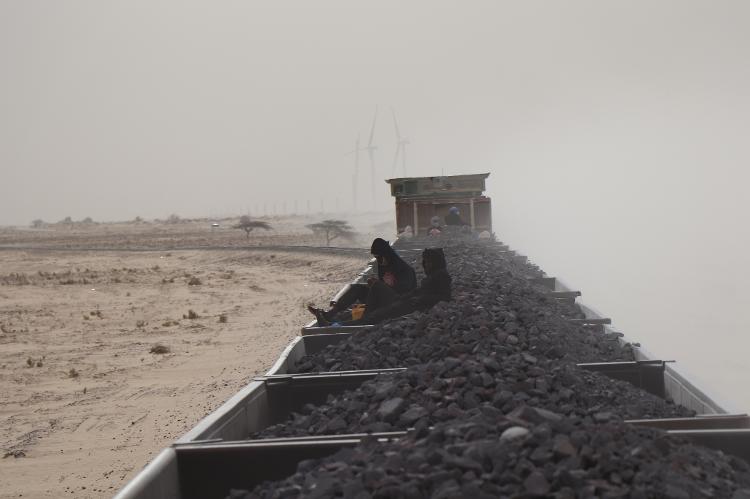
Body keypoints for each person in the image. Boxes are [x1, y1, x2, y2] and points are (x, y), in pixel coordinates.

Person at [312, 247, 451, 327]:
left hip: (406, 302)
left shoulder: (411, 271)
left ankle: (339, 324)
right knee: (359, 289)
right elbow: (417, 291)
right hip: (402, 299)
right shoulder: (432, 276)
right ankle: (331, 316)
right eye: (425, 262)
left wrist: (414, 298)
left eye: (428, 262)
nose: (425, 265)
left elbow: (442, 296)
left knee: (376, 312)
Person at [307, 238, 417, 324]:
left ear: (386, 254)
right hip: (382, 298)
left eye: (379, 257)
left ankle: (364, 317)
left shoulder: (404, 269)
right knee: (357, 288)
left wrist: (381, 286)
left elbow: (406, 292)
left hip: (398, 302)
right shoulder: (383, 266)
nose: (378, 261)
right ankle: (330, 314)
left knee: (376, 285)